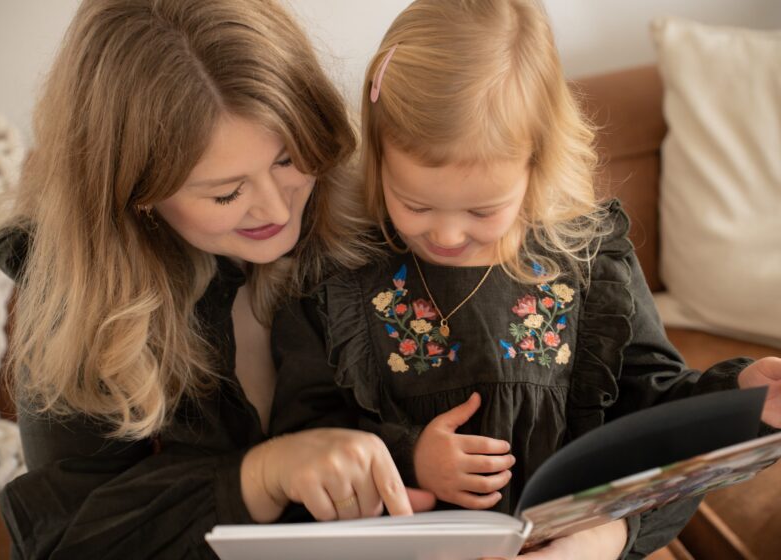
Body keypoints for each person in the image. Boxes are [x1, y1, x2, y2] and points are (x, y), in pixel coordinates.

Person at [269, 1, 781, 558]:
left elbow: (653, 406)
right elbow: (305, 434)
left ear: (538, 165)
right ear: (378, 160)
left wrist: (736, 394)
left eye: (483, 211)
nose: (445, 234)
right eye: (414, 203)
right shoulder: (341, 272)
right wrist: (409, 457)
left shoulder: (589, 260)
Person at [0, 1, 435, 558]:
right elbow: (66, 539)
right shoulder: (77, 300)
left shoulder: (393, 210)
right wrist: (260, 477)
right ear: (138, 194)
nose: (276, 207)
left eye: (290, 158)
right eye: (226, 193)